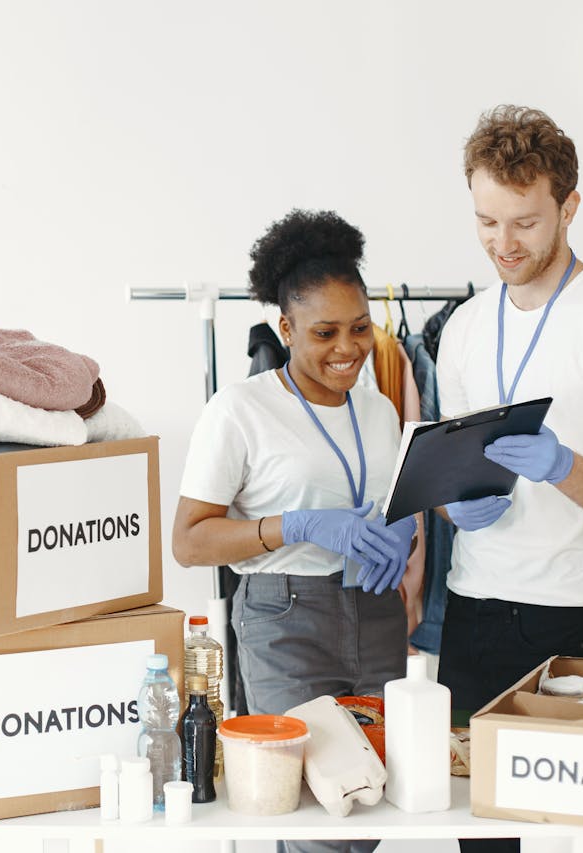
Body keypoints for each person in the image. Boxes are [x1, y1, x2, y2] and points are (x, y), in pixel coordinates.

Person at [434, 105, 583, 852]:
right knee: (481, 839)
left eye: (526, 223)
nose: (502, 244)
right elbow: (449, 480)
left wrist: (566, 467)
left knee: (581, 841)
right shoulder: (464, 328)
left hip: (574, 625)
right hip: (472, 617)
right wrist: (451, 505)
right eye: (486, 221)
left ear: (569, 207)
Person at [173, 209, 417, 853]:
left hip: (377, 613)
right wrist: (296, 526)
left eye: (361, 328)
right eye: (325, 332)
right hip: (287, 619)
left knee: (369, 810)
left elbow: (391, 506)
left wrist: (405, 532)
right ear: (285, 328)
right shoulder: (240, 410)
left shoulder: (380, 407)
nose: (348, 349)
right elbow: (190, 542)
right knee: (317, 818)